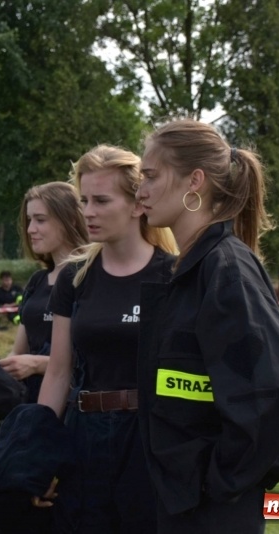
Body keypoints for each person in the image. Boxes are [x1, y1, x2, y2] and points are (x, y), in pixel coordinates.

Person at [135, 118, 279, 532]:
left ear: (195, 180)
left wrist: (218, 481)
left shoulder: (226, 267)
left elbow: (274, 390)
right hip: (183, 497)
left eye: (151, 176)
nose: (139, 191)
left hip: (214, 508)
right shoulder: (192, 267)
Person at [37, 145, 177, 533]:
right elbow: (58, 373)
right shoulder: (74, 277)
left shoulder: (173, 276)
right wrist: (42, 453)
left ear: (137, 205)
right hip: (84, 438)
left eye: (101, 200)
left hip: (148, 442)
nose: (88, 212)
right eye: (84, 200)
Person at [0, 181, 88, 402]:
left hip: (74, 405)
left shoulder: (90, 276)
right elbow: (19, 350)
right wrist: (0, 372)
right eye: (29, 221)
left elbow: (99, 361)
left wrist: (38, 365)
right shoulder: (37, 281)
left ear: (70, 220)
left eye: (40, 220)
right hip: (32, 401)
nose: (30, 230)